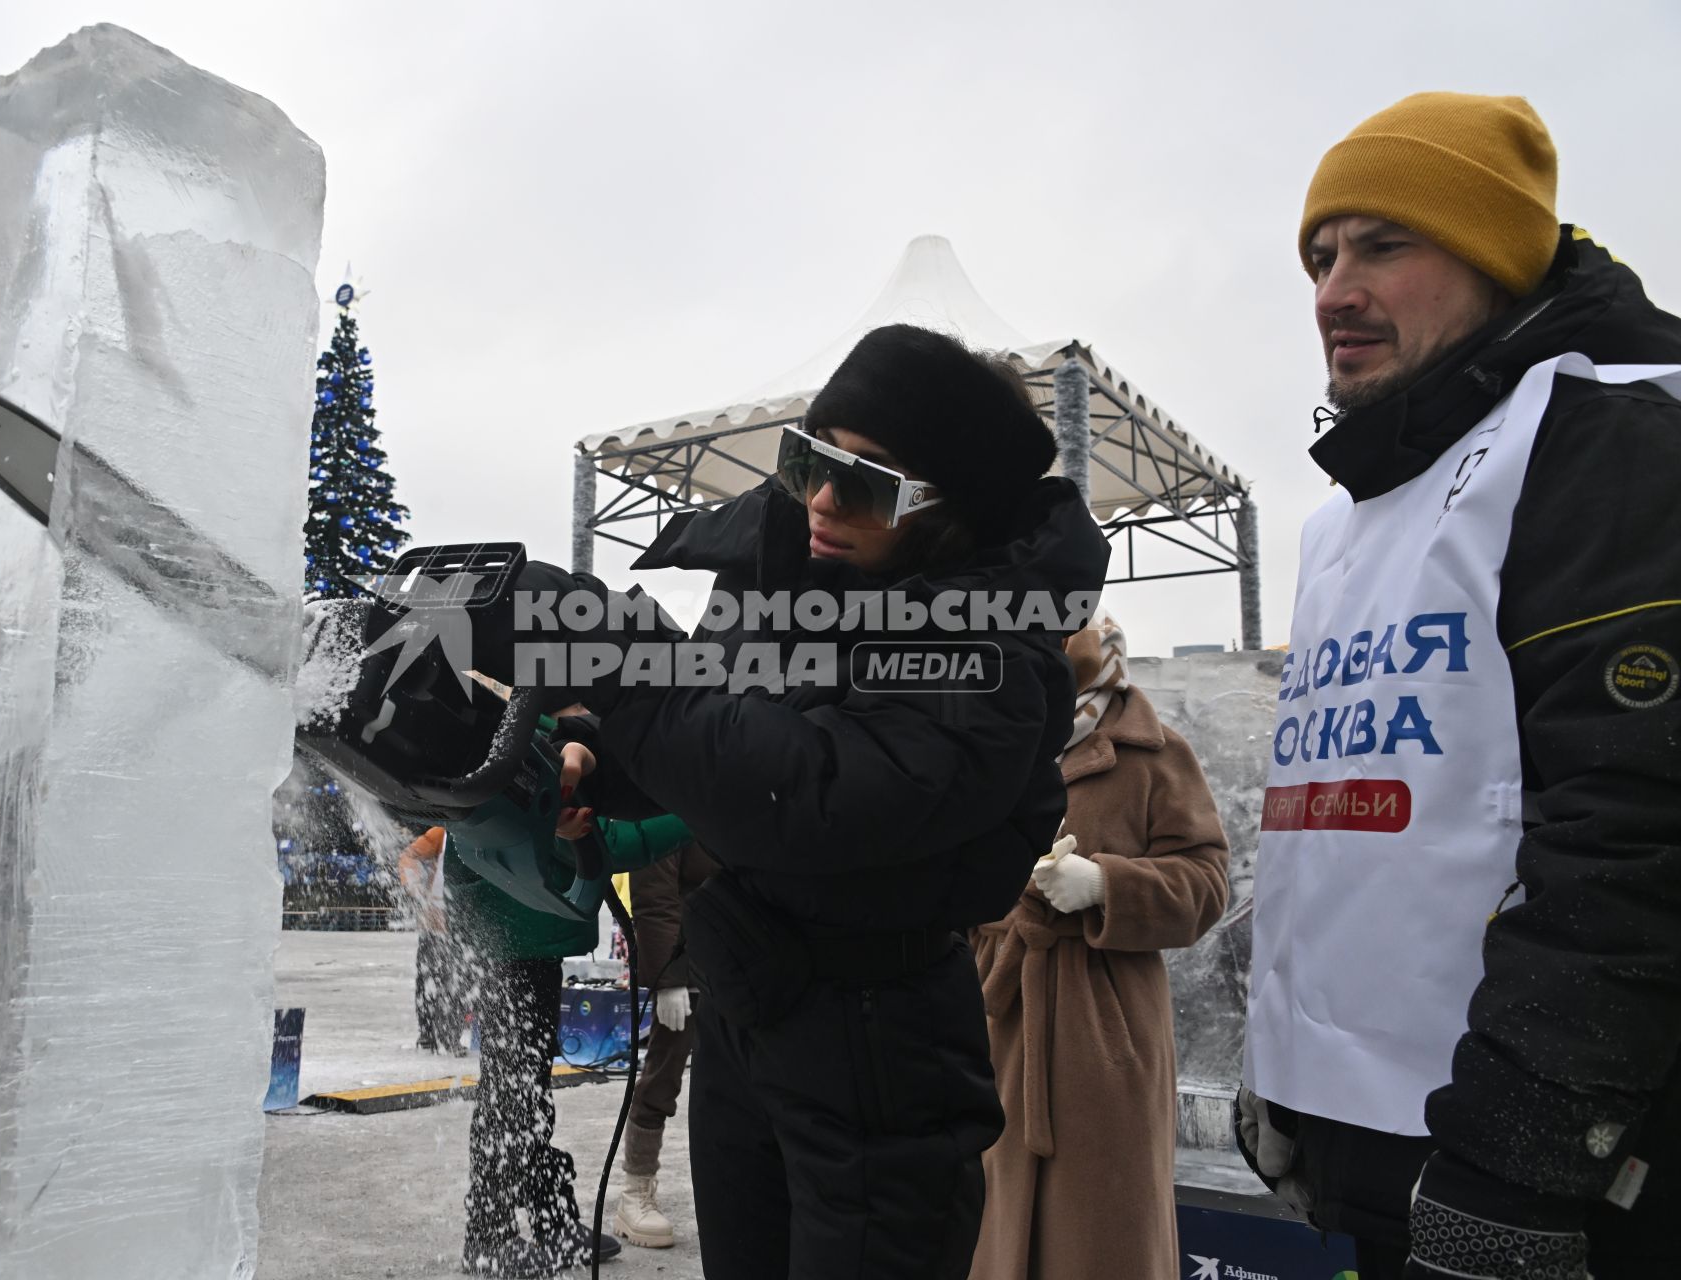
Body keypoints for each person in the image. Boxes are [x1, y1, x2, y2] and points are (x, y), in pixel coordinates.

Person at [538, 324, 1111, 1279]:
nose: (823, 498)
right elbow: (710, 742)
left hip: (880, 1051)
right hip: (751, 1010)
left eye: (870, 479)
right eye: (809, 459)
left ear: (950, 508)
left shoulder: (993, 656)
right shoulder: (796, 600)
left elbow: (816, 790)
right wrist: (592, 762)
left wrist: (626, 675)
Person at [1237, 92, 1681, 1280]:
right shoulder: (1353, 511)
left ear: (1493, 258)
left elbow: (1636, 827)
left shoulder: (1608, 433)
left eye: (1386, 244)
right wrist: (1282, 1064)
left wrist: (1518, 1161)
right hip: (1377, 1129)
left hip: (1539, 1165)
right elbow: (1340, 819)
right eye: (1321, 256)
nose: (1333, 289)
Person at [969, 614, 1228, 1280]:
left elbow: (1206, 885)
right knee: (979, 1223)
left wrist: (1106, 885)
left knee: (1100, 1229)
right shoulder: (989, 742)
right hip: (993, 1017)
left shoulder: (1152, 752)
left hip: (1101, 1035)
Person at [450, 810, 691, 1279]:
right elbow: (610, 838)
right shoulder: (536, 746)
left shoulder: (531, 743)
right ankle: (489, 1234)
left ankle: (547, 1218)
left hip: (522, 919)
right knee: (511, 1091)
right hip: (514, 923)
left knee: (527, 1086)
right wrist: (701, 808)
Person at [610, 839, 718, 1249]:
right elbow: (654, 895)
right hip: (687, 960)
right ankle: (636, 1188)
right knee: (664, 1070)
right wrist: (669, 979)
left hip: (741, 960)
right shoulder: (671, 795)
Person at [399, 824, 470, 1054]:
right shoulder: (442, 833)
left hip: (462, 923)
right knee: (429, 978)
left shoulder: (477, 835)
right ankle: (427, 1033)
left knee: (460, 982)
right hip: (434, 922)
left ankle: (452, 1035)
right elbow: (409, 856)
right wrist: (415, 887)